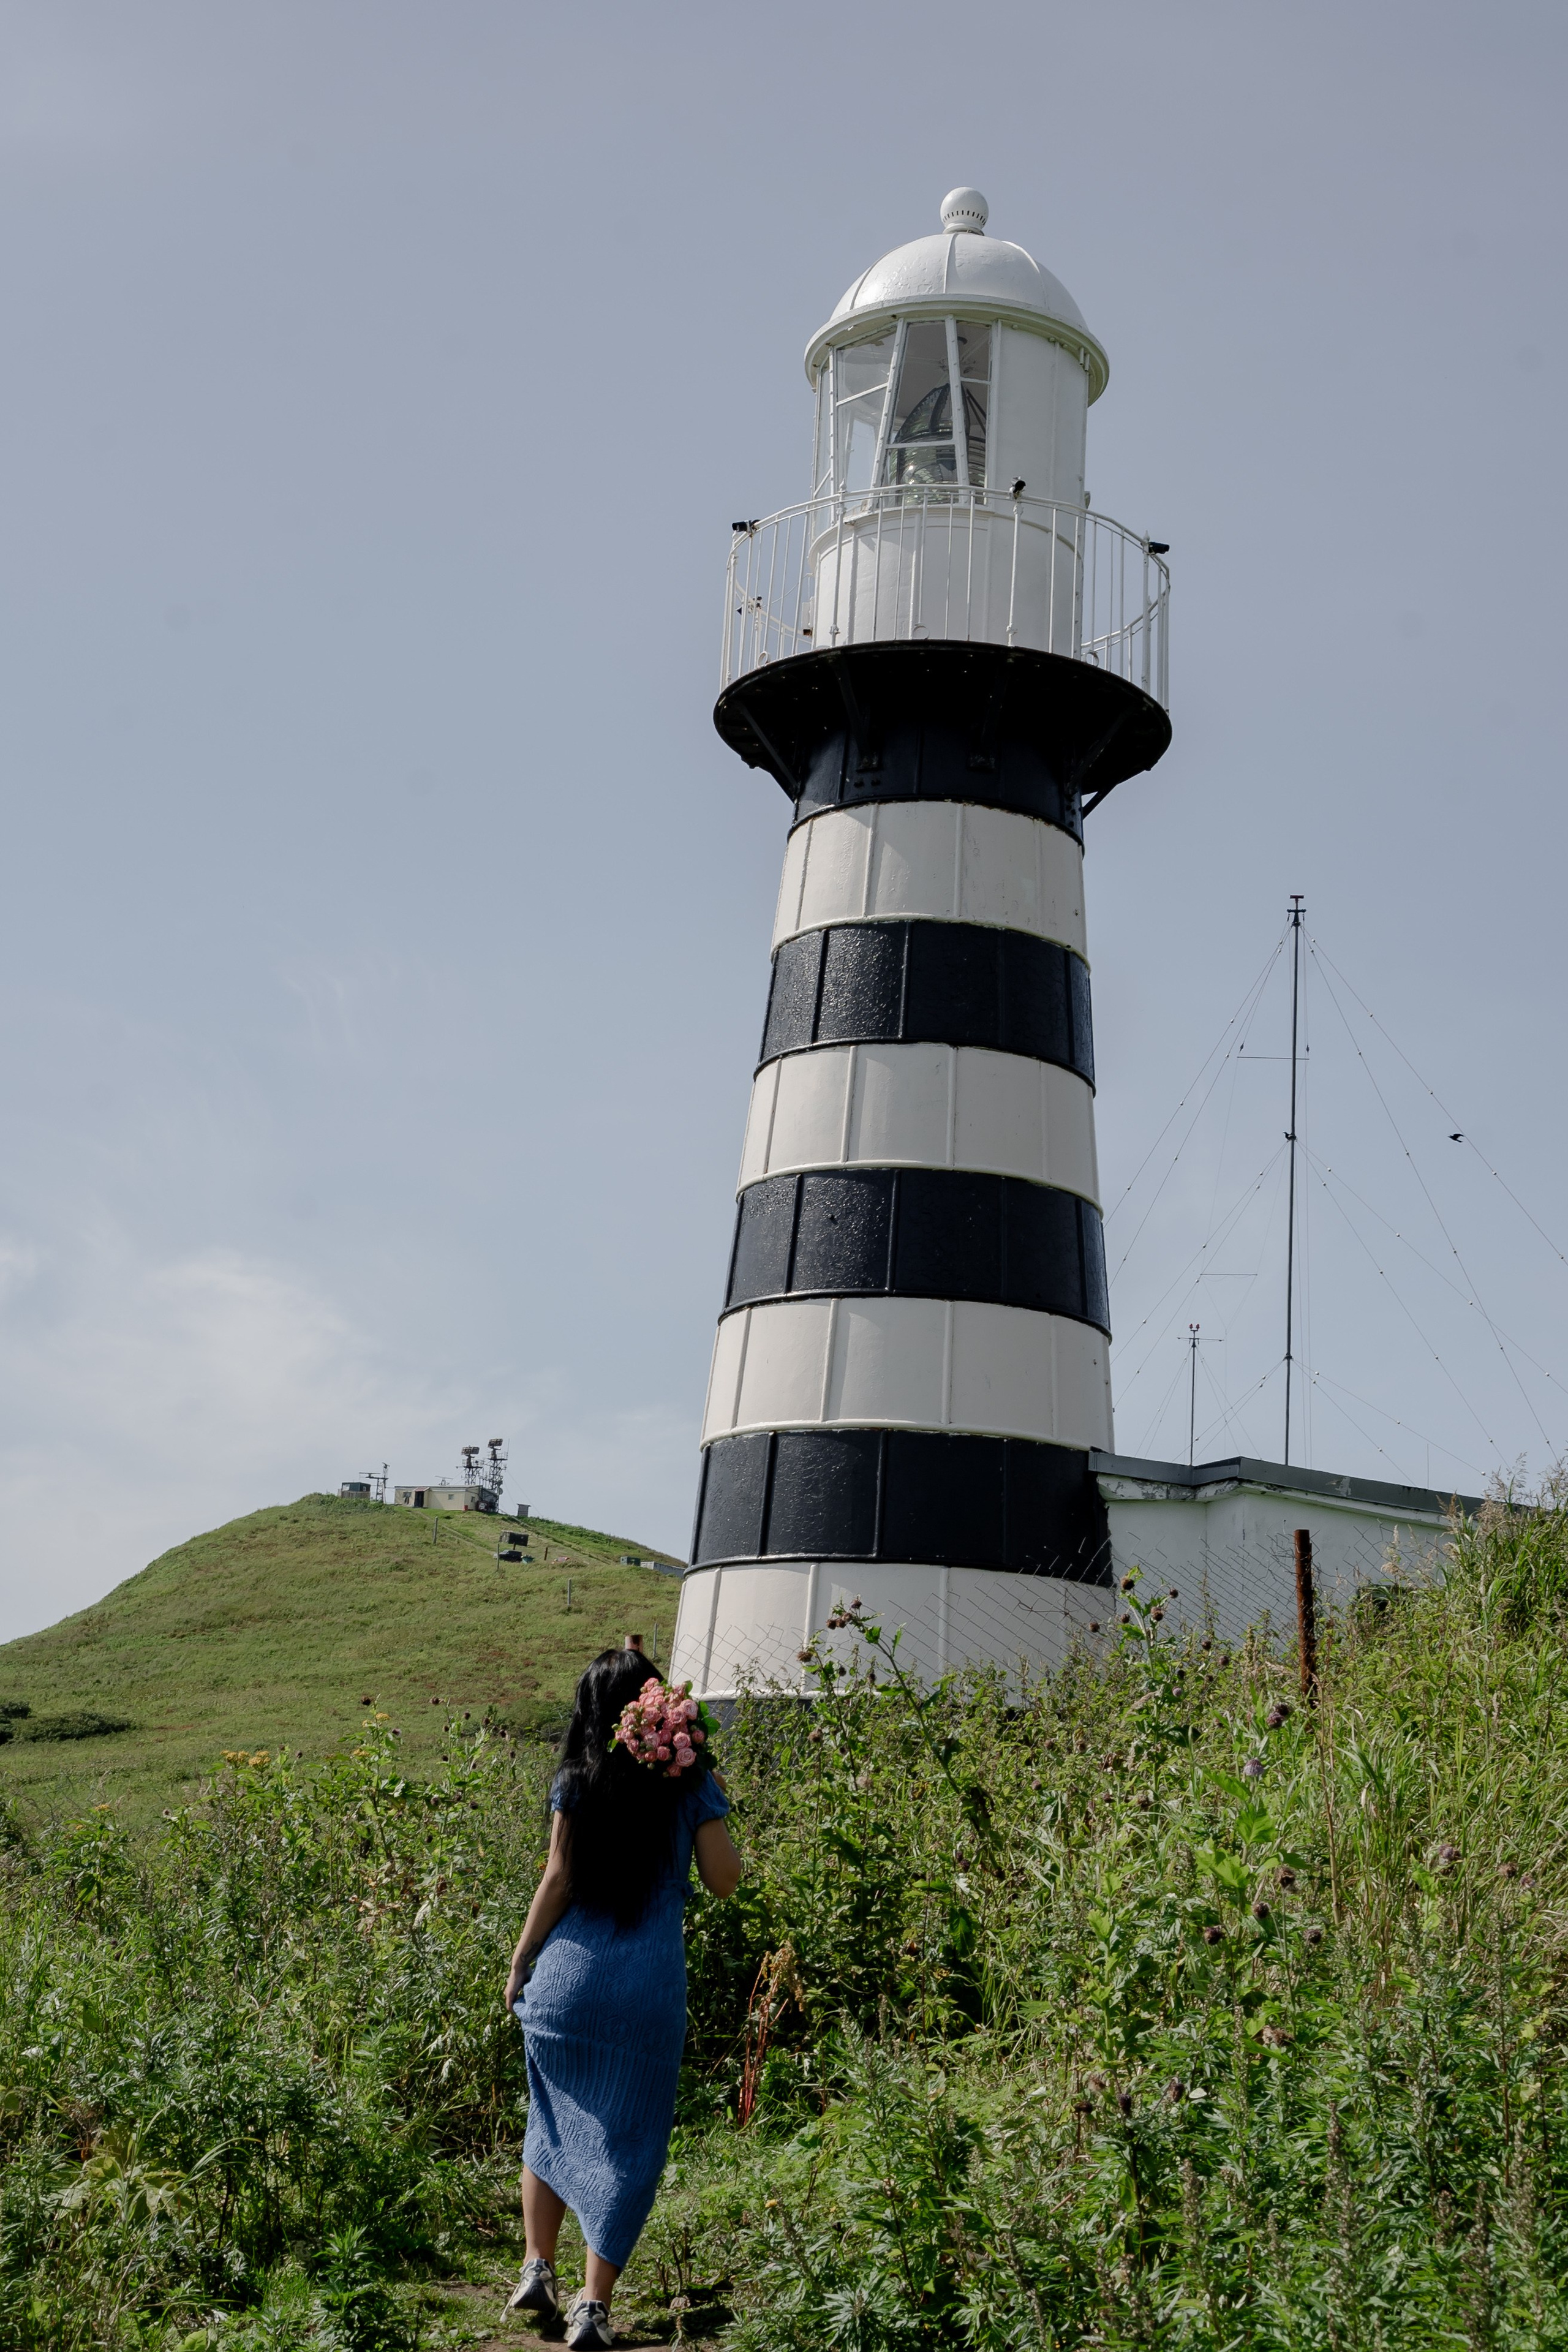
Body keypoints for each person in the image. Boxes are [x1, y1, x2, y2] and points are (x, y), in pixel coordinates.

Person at [502, 1648, 742, 2348]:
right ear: (659, 1707)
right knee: (630, 2145)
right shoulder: (688, 1782)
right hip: (646, 1989)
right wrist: (711, 1790)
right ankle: (592, 2306)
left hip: (567, 1985)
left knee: (549, 2121)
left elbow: (557, 1880)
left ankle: (536, 2267)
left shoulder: (576, 1779)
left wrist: (521, 1962)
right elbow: (724, 1880)